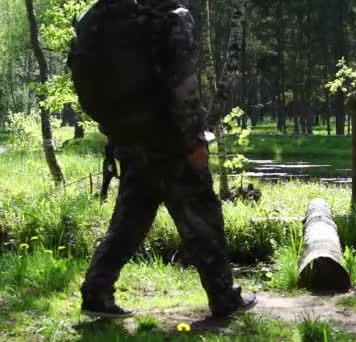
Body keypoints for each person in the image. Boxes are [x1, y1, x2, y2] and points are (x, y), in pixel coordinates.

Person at [69, 0, 255, 319]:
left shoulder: (106, 19)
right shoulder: (172, 19)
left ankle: (97, 292)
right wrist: (193, 140)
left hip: (128, 136)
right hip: (171, 139)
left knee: (130, 217)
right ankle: (224, 297)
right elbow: (183, 87)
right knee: (202, 215)